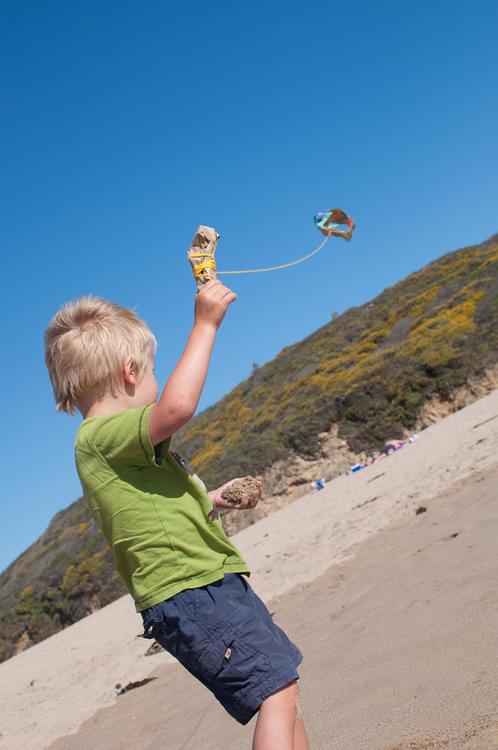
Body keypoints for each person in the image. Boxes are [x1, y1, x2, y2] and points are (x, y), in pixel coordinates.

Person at [44, 282, 309, 750]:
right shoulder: (100, 436)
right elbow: (178, 406)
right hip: (191, 591)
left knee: (282, 685)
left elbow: (149, 514)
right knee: (276, 691)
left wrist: (210, 500)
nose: (155, 383)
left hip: (207, 583)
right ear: (130, 372)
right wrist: (205, 324)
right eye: (152, 372)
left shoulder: (116, 448)